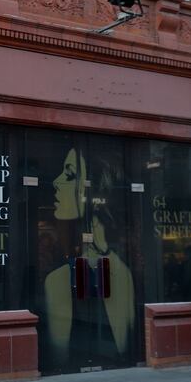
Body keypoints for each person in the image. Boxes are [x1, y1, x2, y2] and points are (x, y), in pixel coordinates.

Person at [44, 147, 135, 365]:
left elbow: (60, 359)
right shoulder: (124, 273)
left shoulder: (57, 281)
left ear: (94, 193)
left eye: (69, 174)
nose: (56, 182)